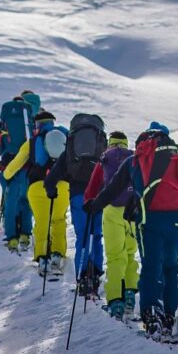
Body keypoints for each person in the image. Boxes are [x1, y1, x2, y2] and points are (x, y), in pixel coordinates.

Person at [96, 121, 178, 339]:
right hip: (176, 223)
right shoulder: (176, 158)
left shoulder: (136, 160)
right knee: (171, 268)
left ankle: (151, 314)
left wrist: (94, 205)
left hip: (149, 221)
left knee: (151, 268)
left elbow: (113, 189)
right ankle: (169, 315)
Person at [4, 110, 69, 279]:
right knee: (58, 220)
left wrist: (6, 175)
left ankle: (42, 257)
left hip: (37, 186)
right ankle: (57, 255)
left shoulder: (32, 143)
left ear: (37, 125)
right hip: (62, 186)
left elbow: (15, 164)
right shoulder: (65, 138)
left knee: (41, 222)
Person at [83, 130, 140, 319]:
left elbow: (92, 187)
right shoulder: (134, 157)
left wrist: (90, 203)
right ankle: (131, 294)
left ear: (110, 143)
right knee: (130, 254)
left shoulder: (105, 158)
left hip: (112, 211)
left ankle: (116, 301)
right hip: (132, 212)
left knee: (116, 256)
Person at [53, 113, 109, 297]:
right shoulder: (100, 141)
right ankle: (96, 273)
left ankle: (83, 275)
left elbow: (57, 172)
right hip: (98, 195)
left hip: (78, 193)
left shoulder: (71, 144)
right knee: (96, 234)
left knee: (82, 236)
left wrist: (51, 187)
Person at [0, 94, 36, 252]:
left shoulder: (5, 122)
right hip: (27, 166)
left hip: (8, 166)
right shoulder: (29, 120)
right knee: (25, 200)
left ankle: (12, 238)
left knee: (10, 201)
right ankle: (25, 233)